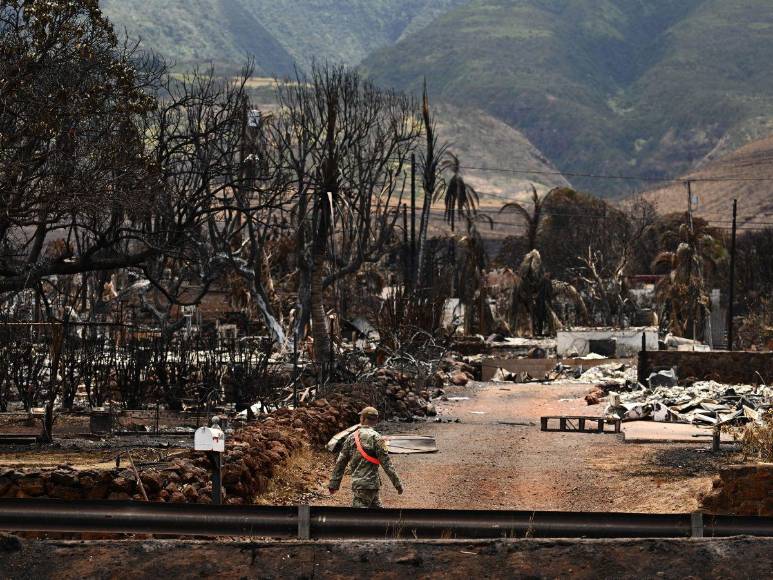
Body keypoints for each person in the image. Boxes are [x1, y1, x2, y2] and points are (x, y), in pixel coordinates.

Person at [328, 406, 403, 508]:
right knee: (378, 516)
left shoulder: (351, 437)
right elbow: (387, 464)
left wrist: (334, 484)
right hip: (373, 485)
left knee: (359, 519)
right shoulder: (377, 438)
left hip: (360, 486)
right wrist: (397, 484)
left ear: (362, 418)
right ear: (376, 421)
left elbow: (341, 462)